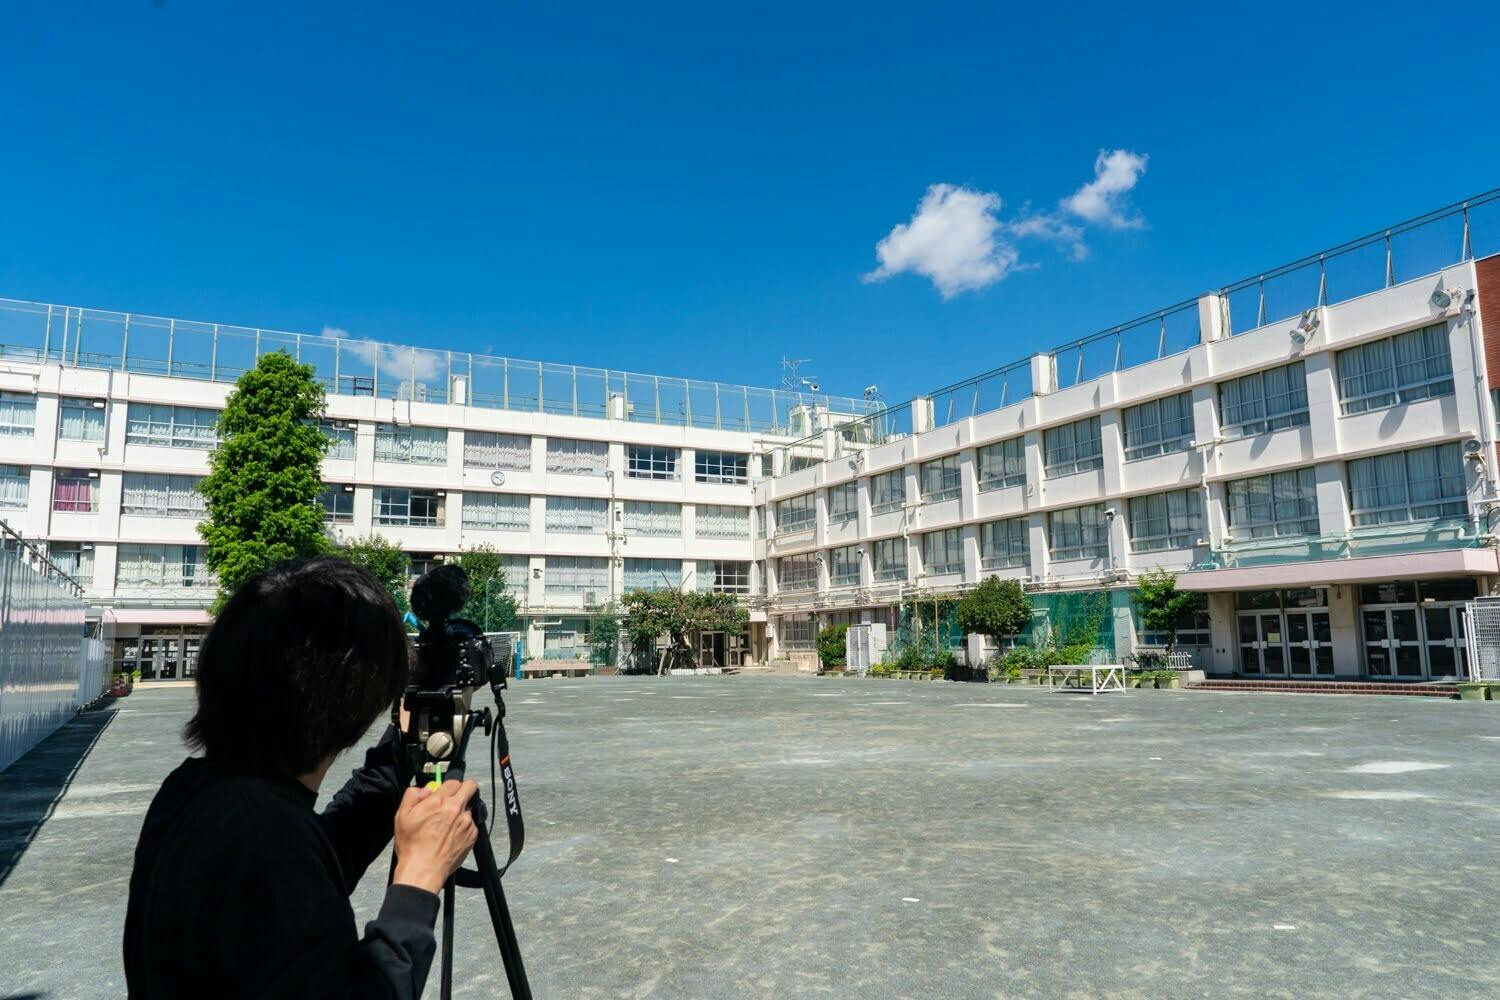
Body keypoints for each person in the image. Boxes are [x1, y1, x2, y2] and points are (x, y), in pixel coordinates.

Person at [124, 556, 479, 999]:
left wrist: (400, 748)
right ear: (355, 699)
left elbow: (319, 863)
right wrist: (419, 878)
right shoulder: (265, 837)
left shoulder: (199, 795)